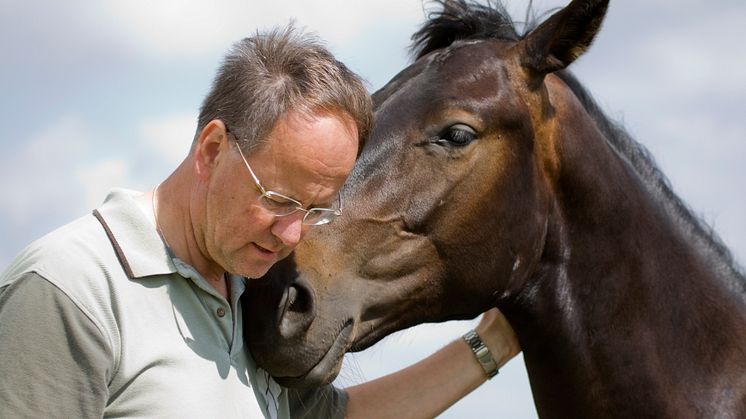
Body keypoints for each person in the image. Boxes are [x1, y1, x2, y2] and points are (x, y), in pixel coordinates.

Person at [0, 26, 520, 418]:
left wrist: (490, 346)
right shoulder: (71, 290)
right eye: (278, 199)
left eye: (316, 210)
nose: (292, 235)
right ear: (211, 150)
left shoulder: (252, 289)